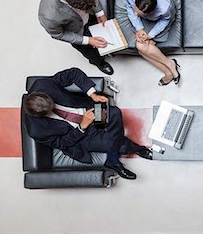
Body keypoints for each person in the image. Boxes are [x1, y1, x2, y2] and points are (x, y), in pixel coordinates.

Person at [23, 68, 152, 180]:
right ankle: (133, 152)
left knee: (114, 113)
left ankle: (113, 161)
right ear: (41, 116)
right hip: (81, 136)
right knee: (118, 146)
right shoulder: (36, 130)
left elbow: (73, 73)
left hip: (88, 110)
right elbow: (62, 143)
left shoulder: (42, 85)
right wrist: (82, 127)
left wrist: (93, 94)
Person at [38, 0, 114, 75]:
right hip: (76, 31)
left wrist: (99, 13)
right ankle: (100, 63)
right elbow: (59, 34)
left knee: (105, 33)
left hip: (90, 17)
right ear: (72, 6)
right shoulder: (48, 16)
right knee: (91, 52)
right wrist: (88, 40)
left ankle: (109, 49)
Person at [124, 0, 180, 86]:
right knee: (141, 46)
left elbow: (165, 20)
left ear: (150, 12)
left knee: (141, 47)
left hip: (159, 23)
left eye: (139, 12)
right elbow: (130, 11)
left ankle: (169, 69)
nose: (136, 12)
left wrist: (150, 35)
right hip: (142, 21)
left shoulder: (165, 8)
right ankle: (169, 65)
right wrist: (139, 28)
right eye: (136, 8)